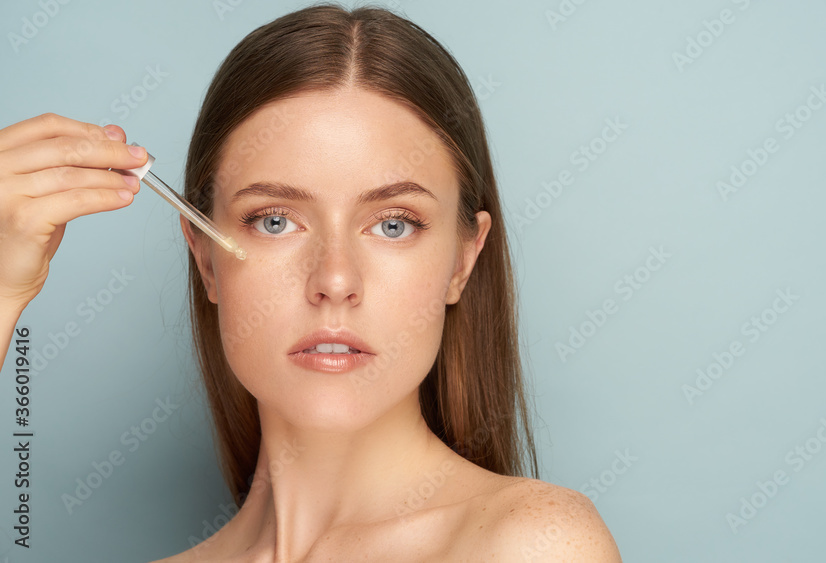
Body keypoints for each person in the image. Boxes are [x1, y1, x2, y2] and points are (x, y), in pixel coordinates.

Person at [0, 4, 621, 561]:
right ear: (206, 259)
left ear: (463, 260)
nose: (335, 280)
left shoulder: (533, 545)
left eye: (394, 224)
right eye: (275, 221)